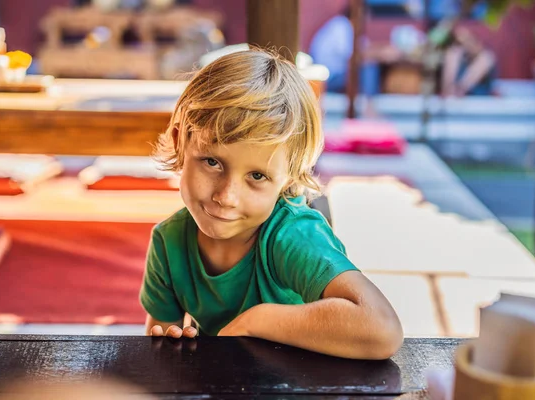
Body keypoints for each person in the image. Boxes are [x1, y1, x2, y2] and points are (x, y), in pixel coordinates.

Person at [139, 49, 403, 360]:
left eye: (257, 175)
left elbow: (382, 328)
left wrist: (257, 321)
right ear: (181, 141)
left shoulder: (290, 237)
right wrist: (172, 348)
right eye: (212, 162)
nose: (226, 195)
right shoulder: (168, 243)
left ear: (287, 179)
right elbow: (159, 350)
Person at [439, 24, 497, 97]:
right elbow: (447, 90)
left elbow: (462, 89)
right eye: (458, 43)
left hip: (481, 103)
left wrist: (456, 90)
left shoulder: (486, 58)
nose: (465, 45)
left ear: (477, 41)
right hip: (459, 102)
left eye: (468, 40)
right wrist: (451, 60)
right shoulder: (457, 57)